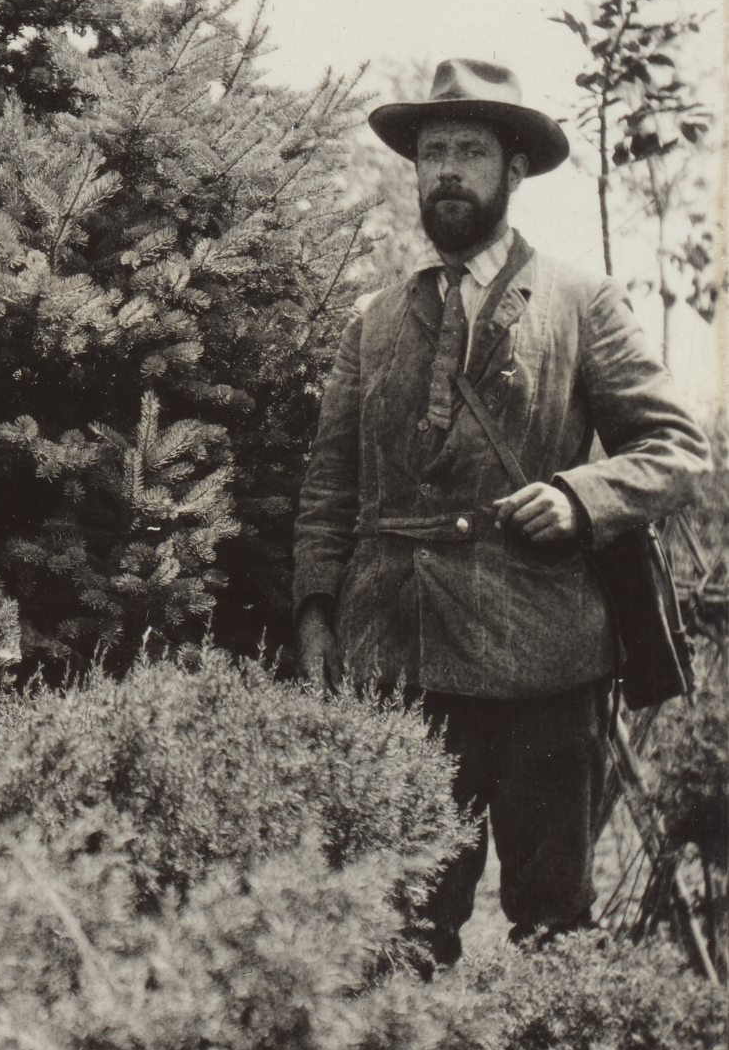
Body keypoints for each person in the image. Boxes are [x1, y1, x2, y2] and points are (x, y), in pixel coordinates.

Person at [293, 58, 708, 964]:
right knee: (396, 919)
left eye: (468, 151)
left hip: (544, 670)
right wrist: (318, 611)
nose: (445, 170)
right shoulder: (372, 322)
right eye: (431, 151)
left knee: (552, 923)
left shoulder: (578, 301)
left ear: (513, 170)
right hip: (398, 663)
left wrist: (578, 494)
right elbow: (330, 488)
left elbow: (678, 448)